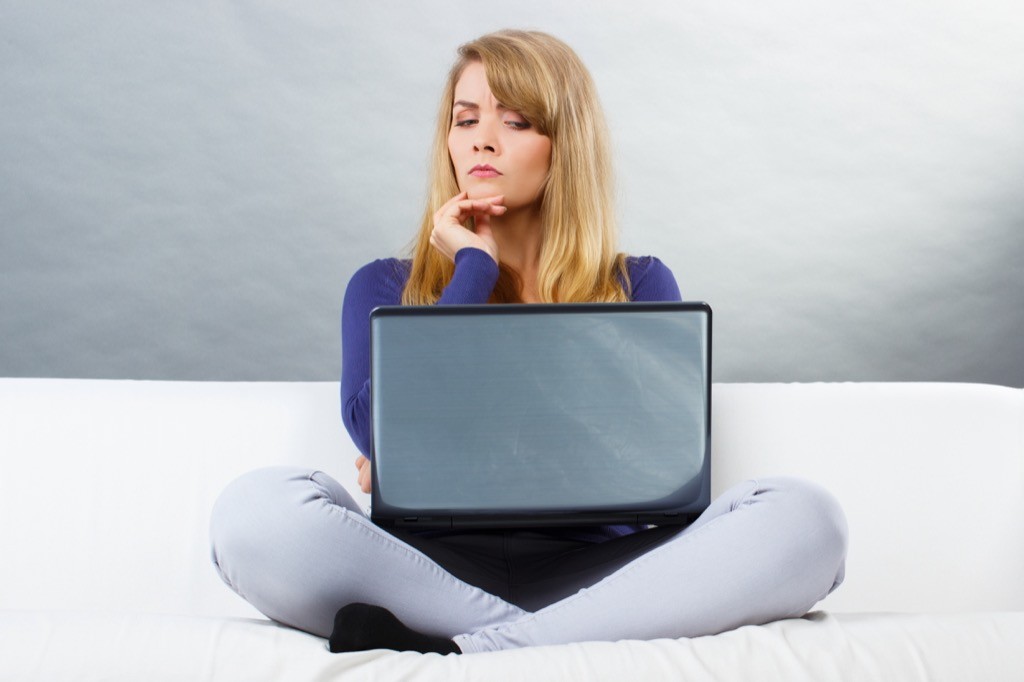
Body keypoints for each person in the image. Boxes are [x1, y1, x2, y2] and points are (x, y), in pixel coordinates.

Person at [209, 29, 847, 655]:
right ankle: (549, 644)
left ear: (563, 144)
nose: (483, 137)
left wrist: (450, 447)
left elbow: (663, 465)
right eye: (466, 119)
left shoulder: (639, 283)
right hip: (430, 571)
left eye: (515, 121)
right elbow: (379, 436)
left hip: (608, 569)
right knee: (256, 513)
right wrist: (472, 273)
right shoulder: (382, 286)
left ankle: (470, 652)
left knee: (805, 518)